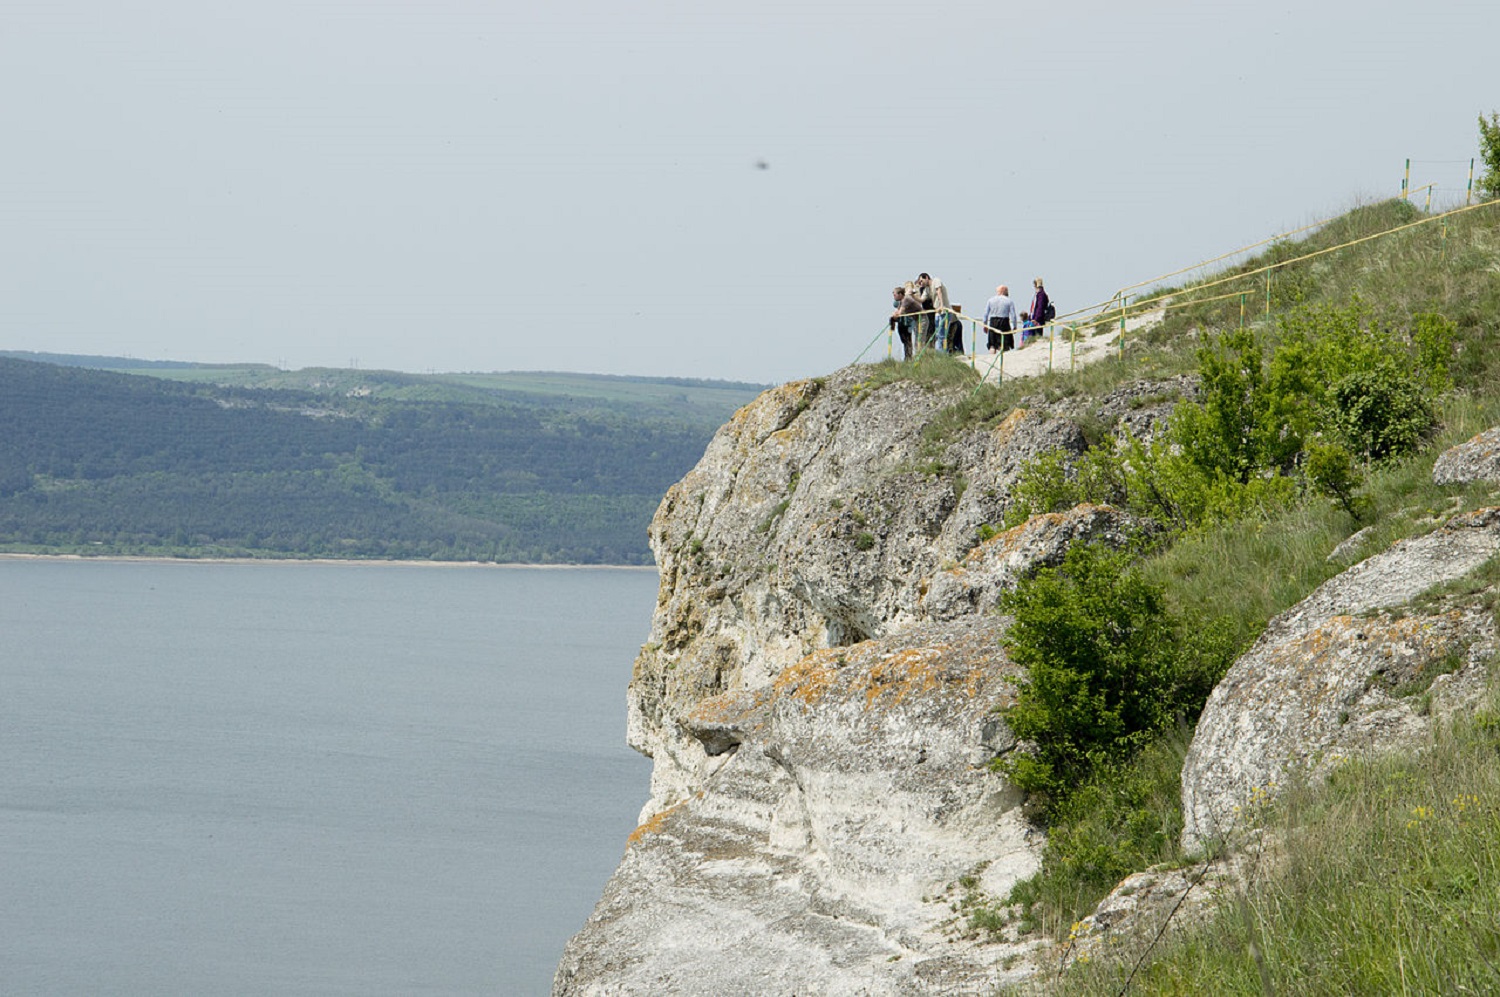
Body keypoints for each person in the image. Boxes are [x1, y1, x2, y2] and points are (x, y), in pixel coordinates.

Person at [918, 273, 951, 351]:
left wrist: (942, 305)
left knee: (942, 334)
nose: (921, 283)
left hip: (944, 311)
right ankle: (940, 352)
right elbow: (921, 299)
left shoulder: (936, 281)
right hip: (937, 312)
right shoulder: (927, 289)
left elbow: (939, 292)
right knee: (938, 334)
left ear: (926, 278)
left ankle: (942, 353)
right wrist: (912, 296)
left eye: (921, 281)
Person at [983, 285, 1019, 353]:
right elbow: (1013, 315)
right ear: (1004, 291)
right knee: (1004, 344)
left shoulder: (991, 300)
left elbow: (985, 314)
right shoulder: (1009, 301)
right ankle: (1003, 358)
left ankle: (992, 357)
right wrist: (1014, 326)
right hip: (1004, 322)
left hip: (993, 321)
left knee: (992, 345)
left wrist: (985, 325)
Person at [890, 285, 921, 360]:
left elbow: (900, 312)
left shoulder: (906, 299)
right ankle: (908, 357)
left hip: (916, 320)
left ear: (900, 294)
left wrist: (894, 316)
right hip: (909, 321)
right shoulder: (901, 301)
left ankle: (910, 358)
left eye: (895, 295)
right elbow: (897, 310)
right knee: (905, 340)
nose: (894, 297)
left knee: (909, 340)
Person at [912, 276, 936, 352]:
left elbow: (922, 300)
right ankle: (925, 351)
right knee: (922, 336)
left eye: (921, 281)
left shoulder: (926, 290)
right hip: (923, 315)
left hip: (929, 314)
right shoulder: (923, 290)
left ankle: (927, 351)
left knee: (928, 335)